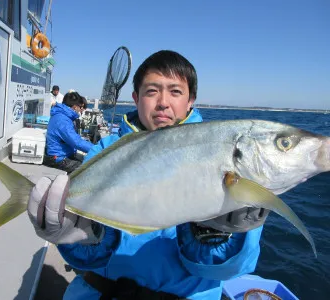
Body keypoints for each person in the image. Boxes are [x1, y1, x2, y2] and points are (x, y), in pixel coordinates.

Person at [28, 50, 268, 299]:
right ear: (136, 97)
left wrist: (217, 236)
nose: (163, 101)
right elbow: (86, 258)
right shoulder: (105, 150)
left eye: (175, 92)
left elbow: (230, 269)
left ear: (191, 100)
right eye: (152, 91)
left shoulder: (221, 153)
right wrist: (82, 239)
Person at [43, 91, 93, 174]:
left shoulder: (62, 116)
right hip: (58, 158)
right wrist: (98, 149)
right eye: (80, 107)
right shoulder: (63, 120)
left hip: (62, 155)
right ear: (74, 107)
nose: (80, 110)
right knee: (89, 169)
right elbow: (76, 142)